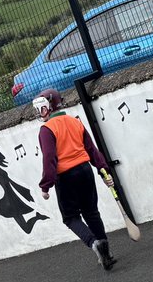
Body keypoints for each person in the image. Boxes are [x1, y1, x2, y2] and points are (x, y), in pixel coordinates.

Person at [35, 88, 117, 270]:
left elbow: (49, 157)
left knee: (71, 217)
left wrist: (45, 185)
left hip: (65, 177)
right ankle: (107, 252)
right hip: (85, 171)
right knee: (92, 212)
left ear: (48, 106)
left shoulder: (46, 129)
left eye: (41, 108)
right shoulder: (75, 122)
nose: (40, 112)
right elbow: (92, 150)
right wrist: (104, 170)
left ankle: (94, 243)